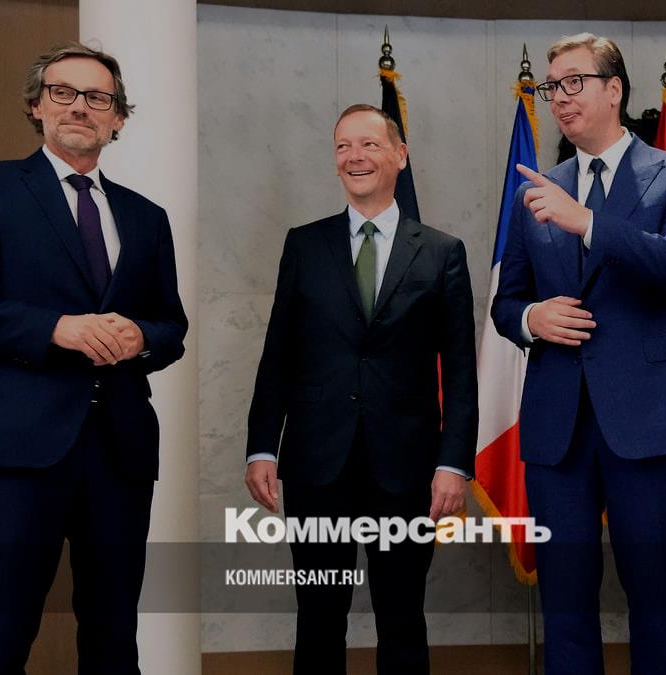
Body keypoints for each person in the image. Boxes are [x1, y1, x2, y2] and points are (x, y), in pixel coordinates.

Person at [0, 42, 187, 673]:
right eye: (63, 92)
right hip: (18, 450)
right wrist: (54, 329)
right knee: (3, 633)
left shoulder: (147, 217)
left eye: (98, 97)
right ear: (37, 106)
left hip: (119, 451)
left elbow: (171, 325)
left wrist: (140, 337)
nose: (80, 107)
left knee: (114, 637)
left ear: (118, 118)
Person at [491, 33, 666, 674]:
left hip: (651, 422)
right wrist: (532, 318)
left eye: (574, 82)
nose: (559, 97)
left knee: (654, 599)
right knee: (564, 602)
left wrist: (587, 222)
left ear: (614, 89)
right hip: (558, 427)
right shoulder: (537, 189)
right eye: (551, 87)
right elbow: (507, 303)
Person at [243, 103, 478, 675]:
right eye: (343, 146)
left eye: (369, 144)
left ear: (400, 154)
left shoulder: (442, 252)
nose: (355, 156)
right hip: (316, 462)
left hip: (407, 465)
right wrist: (261, 447)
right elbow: (278, 354)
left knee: (402, 615)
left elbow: (460, 370)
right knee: (319, 615)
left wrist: (453, 464)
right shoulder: (305, 245)